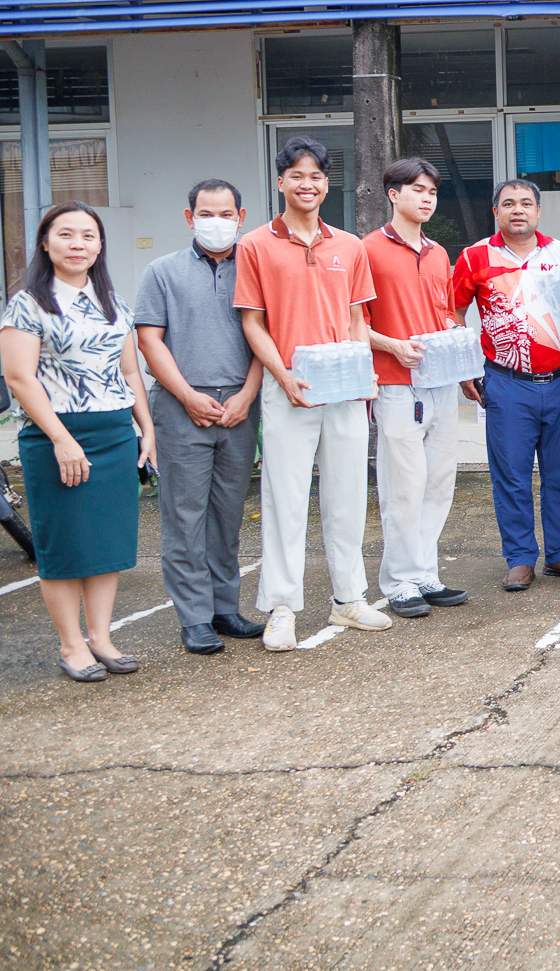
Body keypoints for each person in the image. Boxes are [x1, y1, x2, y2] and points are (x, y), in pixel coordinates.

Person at [237, 138, 390, 651]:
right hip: (289, 387)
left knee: (348, 494)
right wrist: (283, 377)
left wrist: (362, 374)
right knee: (285, 497)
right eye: (297, 175)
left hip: (344, 388)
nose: (308, 184)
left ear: (328, 184)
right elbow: (253, 323)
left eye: (317, 176)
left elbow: (356, 319)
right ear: (281, 181)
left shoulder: (349, 246)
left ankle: (348, 599)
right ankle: (282, 607)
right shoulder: (255, 245)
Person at [0, 202, 156, 682]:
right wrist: (62, 439)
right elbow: (20, 378)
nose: (77, 244)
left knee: (108, 543)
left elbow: (130, 371)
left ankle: (101, 639)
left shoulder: (114, 303)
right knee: (65, 546)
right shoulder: (28, 303)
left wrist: (146, 429)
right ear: (45, 243)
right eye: (65, 234)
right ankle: (72, 647)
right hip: (57, 436)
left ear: (99, 245)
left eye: (88, 236)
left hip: (114, 434)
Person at [133, 179, 266, 656]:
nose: (216, 223)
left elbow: (265, 336)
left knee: (227, 514)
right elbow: (149, 340)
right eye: (206, 214)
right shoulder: (161, 272)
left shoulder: (255, 267)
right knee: (185, 515)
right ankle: (194, 617)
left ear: (241, 216)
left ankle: (224, 608)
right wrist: (187, 396)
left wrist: (247, 395)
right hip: (181, 406)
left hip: (239, 408)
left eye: (225, 214)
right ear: (190, 218)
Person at [452, 178, 560, 593]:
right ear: (495, 211)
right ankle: (519, 558)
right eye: (508, 203)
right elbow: (453, 313)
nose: (518, 210)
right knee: (511, 475)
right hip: (506, 383)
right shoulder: (474, 256)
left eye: (526, 203)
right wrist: (463, 368)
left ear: (538, 211)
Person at [362, 157, 472, 619]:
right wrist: (392, 346)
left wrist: (457, 338)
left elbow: (443, 312)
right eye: (417, 190)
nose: (427, 199)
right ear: (393, 194)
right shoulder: (366, 250)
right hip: (395, 384)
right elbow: (351, 321)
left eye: (432, 192)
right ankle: (399, 581)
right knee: (403, 486)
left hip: (439, 381)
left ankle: (425, 572)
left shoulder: (438, 253)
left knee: (438, 483)